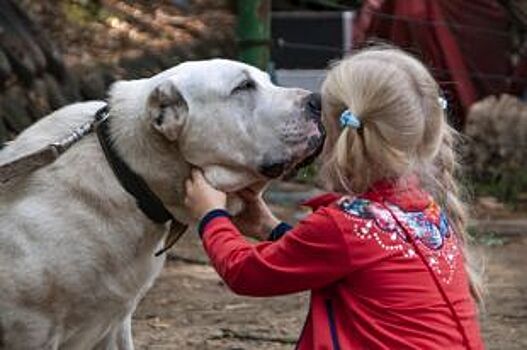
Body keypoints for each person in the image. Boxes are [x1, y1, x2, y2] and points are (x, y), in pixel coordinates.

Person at [184, 47, 485, 349]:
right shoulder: (425, 213)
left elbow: (245, 273)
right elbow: (348, 262)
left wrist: (211, 216)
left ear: (334, 133)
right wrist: (269, 228)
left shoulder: (346, 225)